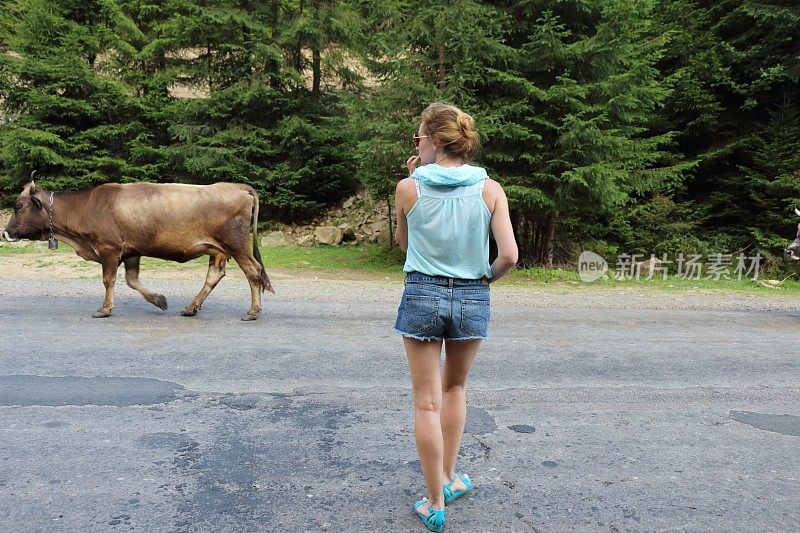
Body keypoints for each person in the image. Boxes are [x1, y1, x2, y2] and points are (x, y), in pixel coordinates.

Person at [394, 102, 518, 531]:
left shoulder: (409, 188)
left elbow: (401, 242)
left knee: (425, 401)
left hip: (422, 293)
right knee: (456, 387)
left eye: (418, 138)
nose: (416, 145)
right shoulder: (491, 189)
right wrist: (483, 280)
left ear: (435, 141)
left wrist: (413, 180)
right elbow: (510, 256)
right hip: (472, 294)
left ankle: (434, 504)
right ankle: (448, 479)